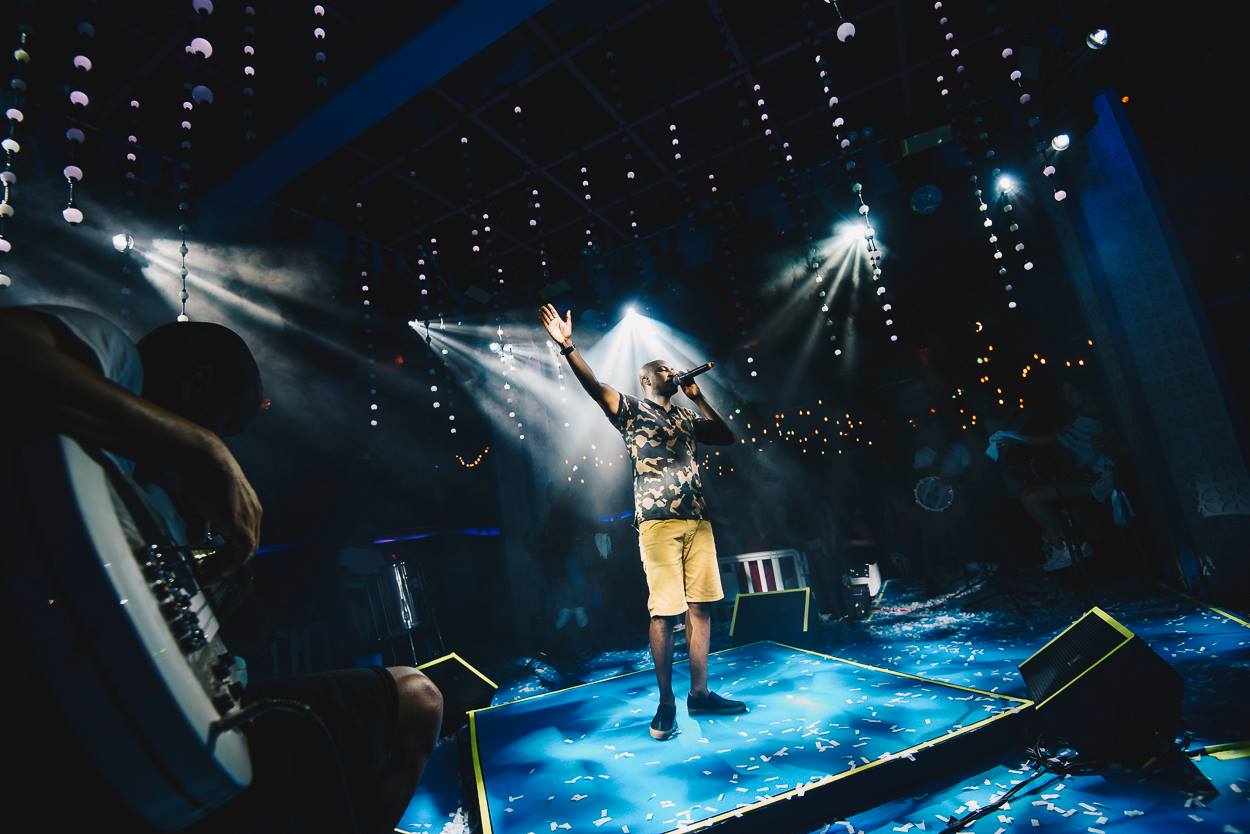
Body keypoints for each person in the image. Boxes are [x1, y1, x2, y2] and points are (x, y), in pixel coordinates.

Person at [0, 305, 443, 834]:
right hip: (97, 723)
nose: (224, 444)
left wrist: (211, 588)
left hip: (143, 722)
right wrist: (198, 445)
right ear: (197, 385)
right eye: (224, 426)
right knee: (417, 700)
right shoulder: (117, 358)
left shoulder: (149, 495)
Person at [539, 303, 745, 741]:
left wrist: (698, 398)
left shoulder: (685, 416)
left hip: (697, 521)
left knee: (701, 606)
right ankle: (666, 701)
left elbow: (726, 436)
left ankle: (700, 693)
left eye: (672, 368)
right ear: (647, 380)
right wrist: (568, 347)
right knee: (665, 612)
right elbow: (595, 387)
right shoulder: (630, 408)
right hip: (657, 523)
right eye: (664, 369)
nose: (672, 372)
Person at [987, 379, 1116, 572]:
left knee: (1031, 497)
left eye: (1072, 391)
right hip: (1084, 475)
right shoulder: (1080, 416)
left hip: (1099, 479)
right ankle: (1062, 544)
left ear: (1084, 390)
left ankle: (1065, 547)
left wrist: (1018, 439)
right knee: (1027, 492)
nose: (1068, 397)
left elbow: (1060, 441)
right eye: (1065, 394)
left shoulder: (1093, 418)